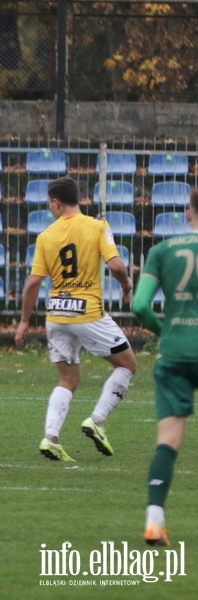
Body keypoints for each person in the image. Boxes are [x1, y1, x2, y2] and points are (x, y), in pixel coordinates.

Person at [15, 176, 136, 462]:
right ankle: (96, 420)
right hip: (88, 313)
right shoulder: (97, 227)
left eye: (49, 203)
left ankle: (51, 438)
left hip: (56, 315)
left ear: (56, 202)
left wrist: (23, 321)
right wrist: (126, 284)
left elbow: (33, 283)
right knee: (128, 364)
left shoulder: (46, 236)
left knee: (67, 378)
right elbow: (116, 265)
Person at [131, 185, 198, 546]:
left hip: (174, 352)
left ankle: (154, 520)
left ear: (188, 212)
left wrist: (166, 331)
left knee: (168, 440)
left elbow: (140, 305)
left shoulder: (162, 250)